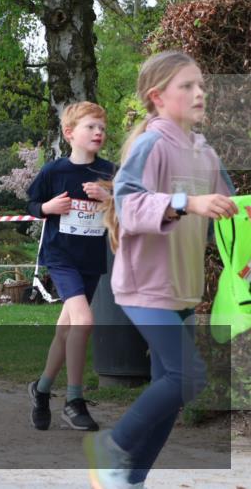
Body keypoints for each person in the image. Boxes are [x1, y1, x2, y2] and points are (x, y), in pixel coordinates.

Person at [85, 51, 236, 489]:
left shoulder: (204, 153)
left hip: (182, 290)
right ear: (157, 96)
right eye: (186, 86)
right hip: (143, 287)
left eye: (201, 84)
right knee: (188, 377)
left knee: (170, 392)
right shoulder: (152, 144)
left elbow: (229, 214)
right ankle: (112, 446)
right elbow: (128, 205)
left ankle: (129, 479)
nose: (199, 92)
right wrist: (187, 203)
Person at [26, 101, 115, 432]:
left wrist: (110, 197)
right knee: (83, 321)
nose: (98, 132)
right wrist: (47, 206)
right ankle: (74, 400)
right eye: (91, 127)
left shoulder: (109, 171)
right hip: (61, 257)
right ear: (69, 133)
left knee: (66, 331)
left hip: (91, 259)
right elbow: (33, 204)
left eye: (102, 128)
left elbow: (124, 207)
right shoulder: (54, 171)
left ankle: (41, 389)